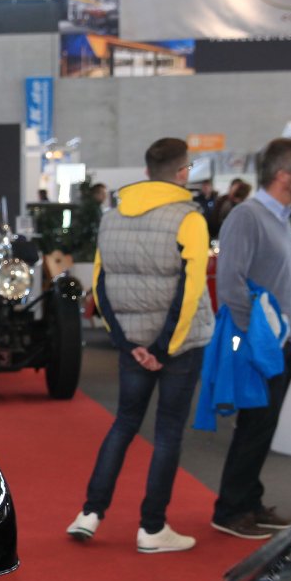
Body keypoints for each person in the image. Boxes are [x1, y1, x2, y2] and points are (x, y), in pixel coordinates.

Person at [66, 139, 214, 553]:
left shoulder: (111, 218)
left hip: (131, 343)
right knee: (167, 433)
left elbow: (100, 285)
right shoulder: (189, 218)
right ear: (182, 172)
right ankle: (152, 527)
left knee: (124, 423)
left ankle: (90, 513)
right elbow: (191, 289)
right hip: (178, 347)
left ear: (148, 171)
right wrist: (163, 348)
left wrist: (125, 341)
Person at [210, 138, 291, 539]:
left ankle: (249, 502)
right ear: (283, 175)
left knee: (263, 426)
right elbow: (230, 283)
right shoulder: (247, 217)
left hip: (286, 341)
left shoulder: (280, 217)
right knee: (254, 425)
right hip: (264, 345)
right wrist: (256, 338)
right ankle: (230, 509)